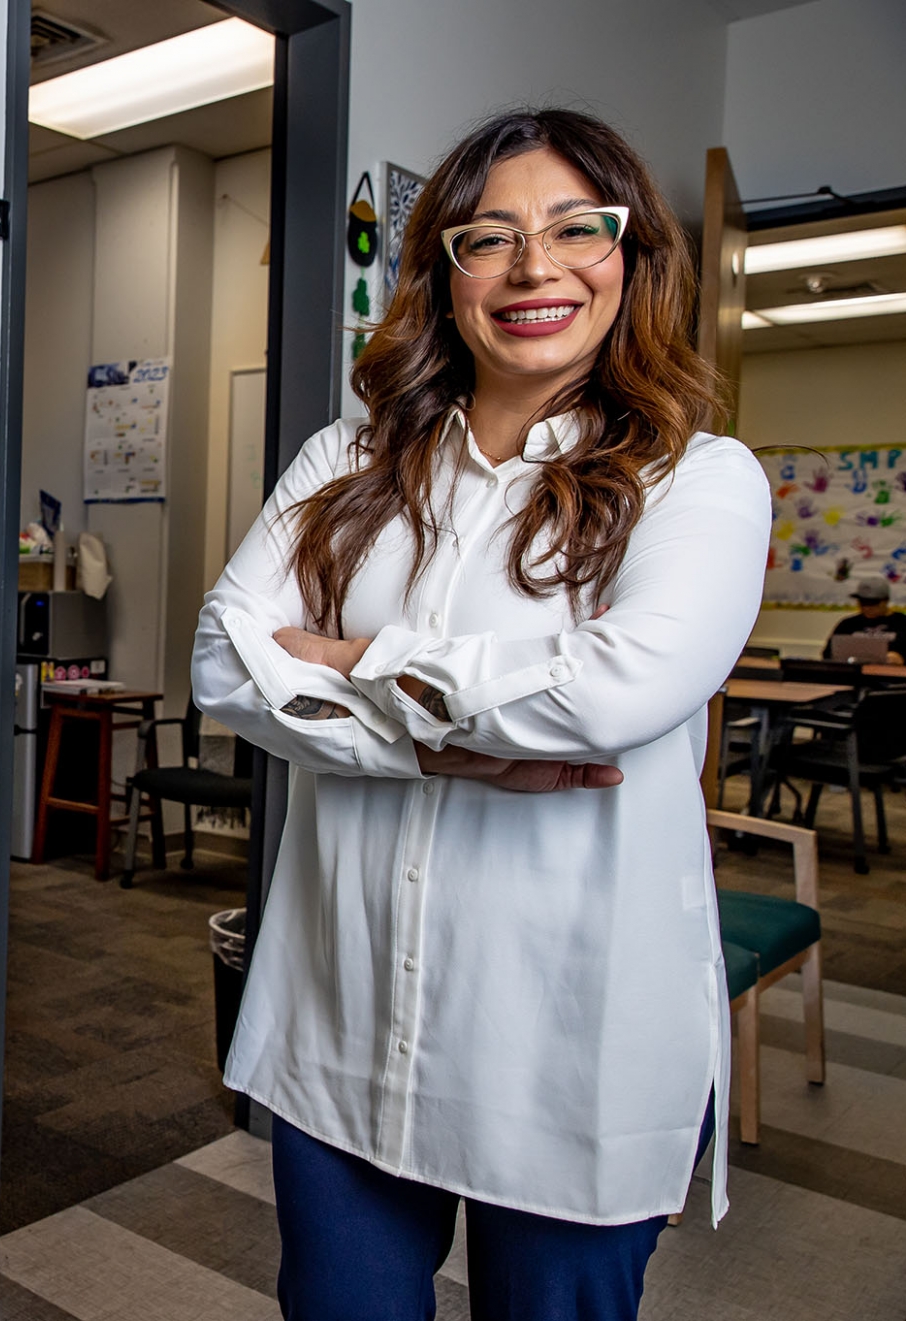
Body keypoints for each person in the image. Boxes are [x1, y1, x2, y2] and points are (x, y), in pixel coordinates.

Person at [192, 108, 768, 1321]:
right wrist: (451, 745)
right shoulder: (345, 461)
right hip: (343, 1016)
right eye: (489, 236)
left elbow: (618, 690)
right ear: (444, 273)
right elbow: (224, 663)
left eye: (576, 228)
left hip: (564, 1044)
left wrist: (351, 661)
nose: (533, 266)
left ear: (634, 254)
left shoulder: (696, 479)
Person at [824, 578, 906, 663]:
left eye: (872, 603)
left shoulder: (902, 623)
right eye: (863, 602)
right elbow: (828, 653)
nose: (867, 608)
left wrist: (900, 658)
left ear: (885, 601)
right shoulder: (848, 624)